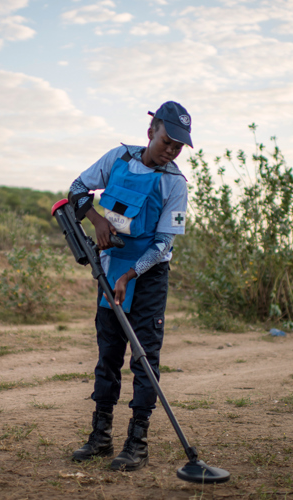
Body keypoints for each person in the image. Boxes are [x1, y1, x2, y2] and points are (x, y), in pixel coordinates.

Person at [68, 101, 191, 471]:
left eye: (178, 146)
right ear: (151, 131)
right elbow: (76, 190)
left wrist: (128, 276)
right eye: (167, 141)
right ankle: (100, 437)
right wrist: (95, 220)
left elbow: (164, 244)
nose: (171, 150)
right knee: (108, 356)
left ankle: (137, 443)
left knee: (144, 360)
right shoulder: (117, 159)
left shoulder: (175, 184)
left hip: (147, 277)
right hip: (109, 269)